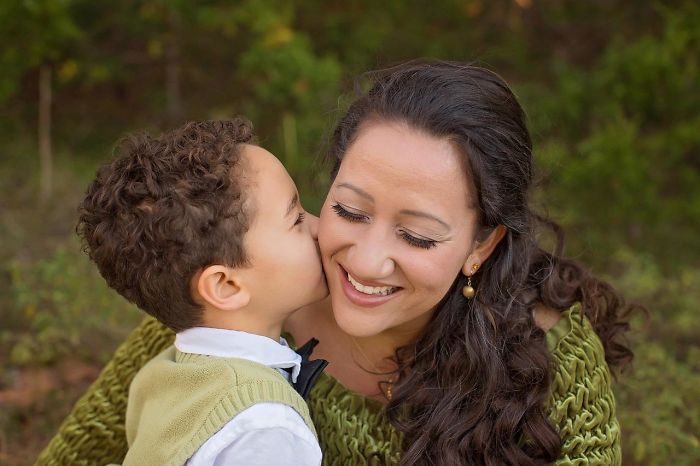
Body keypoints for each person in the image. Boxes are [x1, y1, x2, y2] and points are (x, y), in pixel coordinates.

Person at [36, 60, 634, 466]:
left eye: (418, 236)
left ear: (481, 245)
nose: (367, 260)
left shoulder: (555, 367)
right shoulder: (237, 312)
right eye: (348, 209)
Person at [75, 119, 328, 465]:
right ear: (225, 285)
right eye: (296, 219)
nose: (319, 226)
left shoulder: (160, 377)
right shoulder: (266, 428)